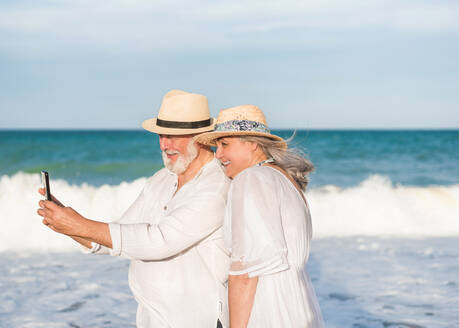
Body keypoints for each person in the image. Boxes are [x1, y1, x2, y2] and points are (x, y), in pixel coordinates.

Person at [36, 90, 230, 328]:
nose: (164, 144)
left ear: (201, 137)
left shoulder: (217, 184)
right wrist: (65, 223)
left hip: (199, 320)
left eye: (173, 136)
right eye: (161, 135)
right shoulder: (161, 178)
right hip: (152, 319)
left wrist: (78, 224)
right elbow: (119, 236)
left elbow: (159, 241)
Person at [195, 104, 325, 328]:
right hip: (297, 305)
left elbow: (245, 273)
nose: (218, 155)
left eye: (225, 144)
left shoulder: (251, 179)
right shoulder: (287, 181)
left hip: (267, 308)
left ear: (253, 143)